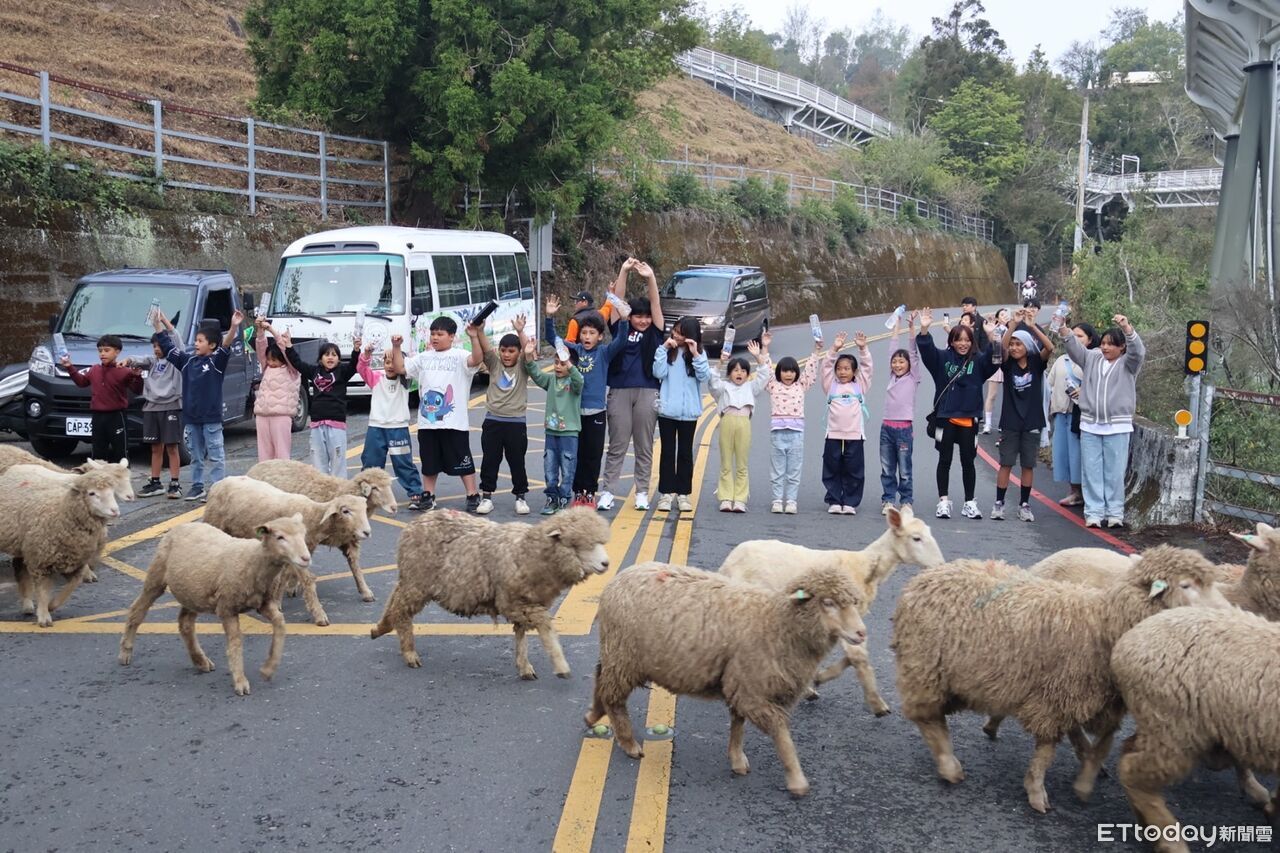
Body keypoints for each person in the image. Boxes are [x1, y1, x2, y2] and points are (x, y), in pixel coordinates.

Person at [1061, 313, 1146, 528]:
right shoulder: (1092, 358)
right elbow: (1074, 348)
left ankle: (1115, 513)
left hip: (1117, 426)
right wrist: (1062, 329)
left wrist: (1127, 328)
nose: (1106, 348)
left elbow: (1138, 351)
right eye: (1104, 343)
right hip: (1090, 424)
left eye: (1111, 345)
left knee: (1115, 472)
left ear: (1122, 348)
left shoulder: (1128, 364)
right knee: (1091, 470)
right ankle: (1094, 513)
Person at [917, 307, 999, 520]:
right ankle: (943, 501)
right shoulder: (943, 359)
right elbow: (927, 352)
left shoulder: (979, 361)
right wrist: (924, 330)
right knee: (944, 460)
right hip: (945, 418)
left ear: (972, 342)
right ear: (951, 341)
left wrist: (992, 336)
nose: (963, 344)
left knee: (968, 461)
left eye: (967, 340)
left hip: (969, 419)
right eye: (958, 340)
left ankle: (969, 502)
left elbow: (996, 358)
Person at [155, 309, 244, 501]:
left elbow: (226, 343)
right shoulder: (187, 361)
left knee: (216, 455)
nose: (196, 343)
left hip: (211, 418)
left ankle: (217, 488)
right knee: (195, 456)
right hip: (192, 418)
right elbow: (169, 349)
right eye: (196, 340)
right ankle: (197, 486)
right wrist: (158, 325)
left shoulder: (216, 362)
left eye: (200, 341)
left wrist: (234, 326)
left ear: (211, 345)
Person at [546, 301, 628, 509]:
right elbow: (553, 339)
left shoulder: (604, 353)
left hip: (596, 413)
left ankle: (589, 493)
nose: (587, 337)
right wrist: (549, 317)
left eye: (592, 333)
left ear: (600, 337)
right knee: (575, 455)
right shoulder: (573, 350)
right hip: (574, 413)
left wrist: (625, 320)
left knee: (592, 454)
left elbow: (621, 341)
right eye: (584, 333)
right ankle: (577, 493)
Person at [599, 258, 665, 512]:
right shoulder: (621, 329)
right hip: (619, 390)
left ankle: (641, 493)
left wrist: (650, 278)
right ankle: (608, 492)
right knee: (616, 445)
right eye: (638, 316)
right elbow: (617, 301)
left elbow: (656, 303)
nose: (643, 320)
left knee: (644, 446)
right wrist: (624, 271)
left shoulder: (655, 331)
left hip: (648, 390)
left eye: (646, 316)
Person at [402, 316, 483, 512]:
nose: (435, 338)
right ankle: (429, 496)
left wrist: (474, 336)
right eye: (432, 334)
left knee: (463, 460)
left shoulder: (460, 355)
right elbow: (400, 368)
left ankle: (472, 494)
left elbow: (477, 359)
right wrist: (396, 348)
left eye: (440, 334)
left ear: (452, 336)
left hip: (454, 422)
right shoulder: (424, 357)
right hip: (428, 423)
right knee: (429, 462)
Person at [990, 308, 1055, 522]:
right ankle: (999, 503)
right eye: (1013, 344)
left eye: (1019, 344)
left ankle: (1024, 505)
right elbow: (1001, 349)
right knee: (1006, 463)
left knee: (1028, 465)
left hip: (1032, 422)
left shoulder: (1036, 363)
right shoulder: (1008, 365)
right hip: (1010, 422)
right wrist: (1012, 326)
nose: (1015, 347)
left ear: (1028, 346)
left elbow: (1050, 347)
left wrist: (1032, 325)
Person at [357, 334, 426, 511]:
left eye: (393, 362)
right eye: (387, 362)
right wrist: (366, 354)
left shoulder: (406, 381)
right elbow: (362, 368)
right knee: (371, 462)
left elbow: (409, 368)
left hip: (398, 428)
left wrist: (397, 348)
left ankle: (415, 492)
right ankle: (366, 495)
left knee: (403, 462)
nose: (390, 366)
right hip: (376, 427)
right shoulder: (376, 378)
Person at [653, 316, 711, 512]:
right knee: (667, 452)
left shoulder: (698, 354)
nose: (676, 335)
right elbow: (658, 373)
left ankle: (684, 494)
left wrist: (695, 354)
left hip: (689, 414)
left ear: (690, 336)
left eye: (681, 332)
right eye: (675, 331)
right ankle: (666, 494)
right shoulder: (669, 353)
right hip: (668, 412)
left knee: (685, 453)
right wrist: (663, 349)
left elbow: (704, 377)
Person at [474, 318, 532, 516]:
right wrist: (480, 331)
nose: (506, 355)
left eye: (511, 351)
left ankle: (521, 497)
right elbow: (486, 348)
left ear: (518, 352)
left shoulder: (523, 366)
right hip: (493, 421)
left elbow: (529, 350)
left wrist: (520, 332)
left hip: (516, 423)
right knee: (490, 460)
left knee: (517, 461)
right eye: (503, 350)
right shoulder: (494, 364)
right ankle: (487, 497)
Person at [761, 329, 822, 514]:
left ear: (797, 373)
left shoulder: (801, 385)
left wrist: (817, 350)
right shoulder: (773, 385)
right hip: (778, 433)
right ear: (779, 373)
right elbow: (765, 370)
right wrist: (764, 347)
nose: (788, 374)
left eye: (792, 371)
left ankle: (792, 501)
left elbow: (811, 370)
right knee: (777, 470)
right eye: (784, 371)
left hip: (796, 434)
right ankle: (778, 500)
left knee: (794, 470)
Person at [523, 336, 583, 514]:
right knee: (549, 468)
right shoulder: (551, 381)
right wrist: (528, 357)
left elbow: (580, 380)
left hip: (569, 433)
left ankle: (564, 499)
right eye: (556, 362)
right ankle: (552, 498)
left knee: (567, 468)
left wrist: (570, 364)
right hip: (551, 432)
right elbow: (536, 374)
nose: (558, 366)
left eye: (562, 363)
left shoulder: (574, 383)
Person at [708, 340, 770, 512]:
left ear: (748, 375)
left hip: (744, 423)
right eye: (735, 370)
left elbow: (765, 375)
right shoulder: (723, 387)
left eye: (743, 371)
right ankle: (726, 498)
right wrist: (721, 362)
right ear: (729, 374)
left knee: (742, 463)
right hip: (727, 421)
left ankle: (741, 499)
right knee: (726, 462)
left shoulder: (751, 387)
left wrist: (758, 357)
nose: (739, 373)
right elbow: (712, 381)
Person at [60, 334, 142, 464]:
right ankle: (99, 481)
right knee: (98, 453)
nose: (102, 354)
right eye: (100, 351)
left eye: (107, 350)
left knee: (120, 453)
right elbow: (82, 382)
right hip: (98, 417)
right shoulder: (94, 369)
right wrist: (70, 367)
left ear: (117, 352)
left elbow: (137, 390)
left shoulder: (124, 371)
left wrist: (137, 377)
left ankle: (122, 481)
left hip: (117, 416)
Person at [286, 337, 360, 478]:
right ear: (320, 359)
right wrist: (289, 346)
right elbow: (297, 363)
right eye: (326, 354)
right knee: (318, 460)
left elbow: (354, 365)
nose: (330, 357)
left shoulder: (342, 372)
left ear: (339, 359)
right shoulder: (314, 372)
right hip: (317, 424)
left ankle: (339, 491)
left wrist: (356, 350)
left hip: (336, 424)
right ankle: (323, 491)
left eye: (334, 354)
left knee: (338, 460)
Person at [128, 316, 184, 498]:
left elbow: (175, 338)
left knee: (172, 447)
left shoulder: (177, 360)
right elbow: (139, 360)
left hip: (171, 406)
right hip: (151, 408)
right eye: (154, 346)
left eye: (159, 346)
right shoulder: (151, 362)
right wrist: (128, 360)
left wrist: (164, 322)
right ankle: (155, 481)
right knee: (155, 448)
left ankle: (175, 483)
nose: (157, 349)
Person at [1046, 321, 1098, 508]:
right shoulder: (1061, 360)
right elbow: (1049, 385)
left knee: (1079, 455)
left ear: (1090, 339)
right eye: (1073, 335)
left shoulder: (1094, 359)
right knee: (1064, 454)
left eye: (1080, 336)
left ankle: (1083, 493)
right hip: (1061, 413)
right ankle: (1073, 491)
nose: (1076, 339)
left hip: (1080, 414)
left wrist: (1083, 390)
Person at [821, 330, 873, 515]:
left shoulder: (860, 385)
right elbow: (825, 366)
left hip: (855, 436)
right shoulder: (830, 385)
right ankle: (834, 500)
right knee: (832, 468)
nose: (842, 372)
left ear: (854, 372)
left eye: (847, 368)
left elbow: (868, 367)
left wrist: (863, 348)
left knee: (854, 470)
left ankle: (850, 501)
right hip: (833, 435)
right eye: (839, 368)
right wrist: (834, 348)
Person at [881, 310, 922, 514]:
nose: (897, 364)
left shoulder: (912, 377)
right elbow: (892, 348)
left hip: (904, 429)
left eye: (901, 362)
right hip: (886, 428)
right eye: (895, 362)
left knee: (905, 470)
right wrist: (896, 325)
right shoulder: (892, 376)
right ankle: (888, 500)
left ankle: (906, 502)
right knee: (887, 469)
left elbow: (912, 352)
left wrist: (911, 327)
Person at [251, 317, 300, 463]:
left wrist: (271, 330)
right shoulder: (267, 368)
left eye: (274, 360)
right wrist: (260, 330)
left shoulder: (292, 370)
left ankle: (283, 482)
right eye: (269, 359)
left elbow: (285, 349)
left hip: (281, 415)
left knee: (282, 453)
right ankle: (266, 482)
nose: (270, 363)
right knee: (264, 455)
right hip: (262, 415)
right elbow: (260, 347)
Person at [981, 308, 1011, 434]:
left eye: (1006, 315)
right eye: (1002, 314)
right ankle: (987, 424)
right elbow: (991, 343)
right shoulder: (995, 328)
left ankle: (1004, 424)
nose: (1004, 316)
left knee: (1008, 396)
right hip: (996, 363)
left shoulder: (1012, 329)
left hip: (1008, 363)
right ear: (997, 317)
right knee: (992, 395)